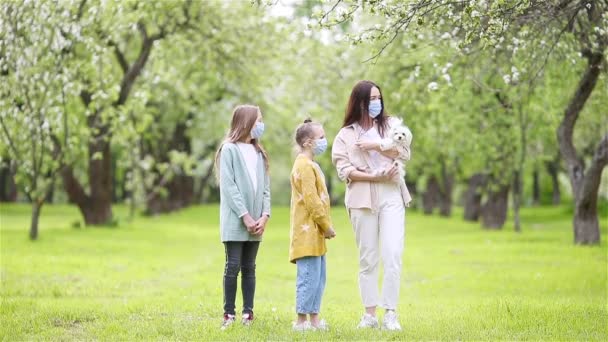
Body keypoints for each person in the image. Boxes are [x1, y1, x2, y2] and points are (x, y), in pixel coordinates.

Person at [331, 80, 412, 331]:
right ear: (360, 102)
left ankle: (390, 313)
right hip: (362, 199)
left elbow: (404, 153)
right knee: (368, 258)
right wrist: (375, 176)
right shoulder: (346, 135)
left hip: (391, 196)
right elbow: (345, 171)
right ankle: (369, 315)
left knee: (392, 253)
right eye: (372, 99)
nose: (377, 103)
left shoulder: (391, 125)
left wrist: (377, 145)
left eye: (379, 97)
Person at [214, 104, 271, 330]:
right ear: (246, 122)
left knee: (250, 267)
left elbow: (266, 188)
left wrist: (264, 215)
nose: (261, 125)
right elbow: (229, 186)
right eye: (258, 120)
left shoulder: (259, 153)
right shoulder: (229, 150)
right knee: (233, 265)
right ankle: (229, 314)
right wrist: (245, 216)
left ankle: (248, 312)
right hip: (236, 221)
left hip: (257, 221)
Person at [289, 119, 337, 331]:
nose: (324, 141)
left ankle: (315, 320)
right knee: (308, 277)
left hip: (315, 234)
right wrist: (326, 225)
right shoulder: (303, 166)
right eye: (321, 137)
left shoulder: (312, 165)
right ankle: (301, 321)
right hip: (307, 232)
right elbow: (312, 201)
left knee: (318, 278)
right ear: (308, 142)